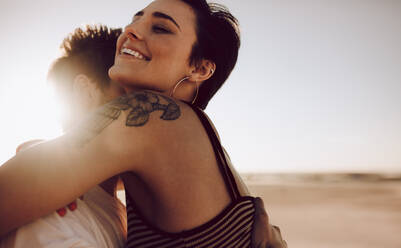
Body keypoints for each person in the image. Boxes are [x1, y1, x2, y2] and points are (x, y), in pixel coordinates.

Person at [0, 1, 287, 247]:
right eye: (135, 19)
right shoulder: (191, 138)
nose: (130, 31)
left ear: (199, 68)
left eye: (160, 28)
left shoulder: (149, 116)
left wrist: (40, 161)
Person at [0, 25, 126, 248]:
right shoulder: (47, 203)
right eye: (127, 94)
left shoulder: (120, 211)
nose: (142, 111)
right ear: (84, 92)